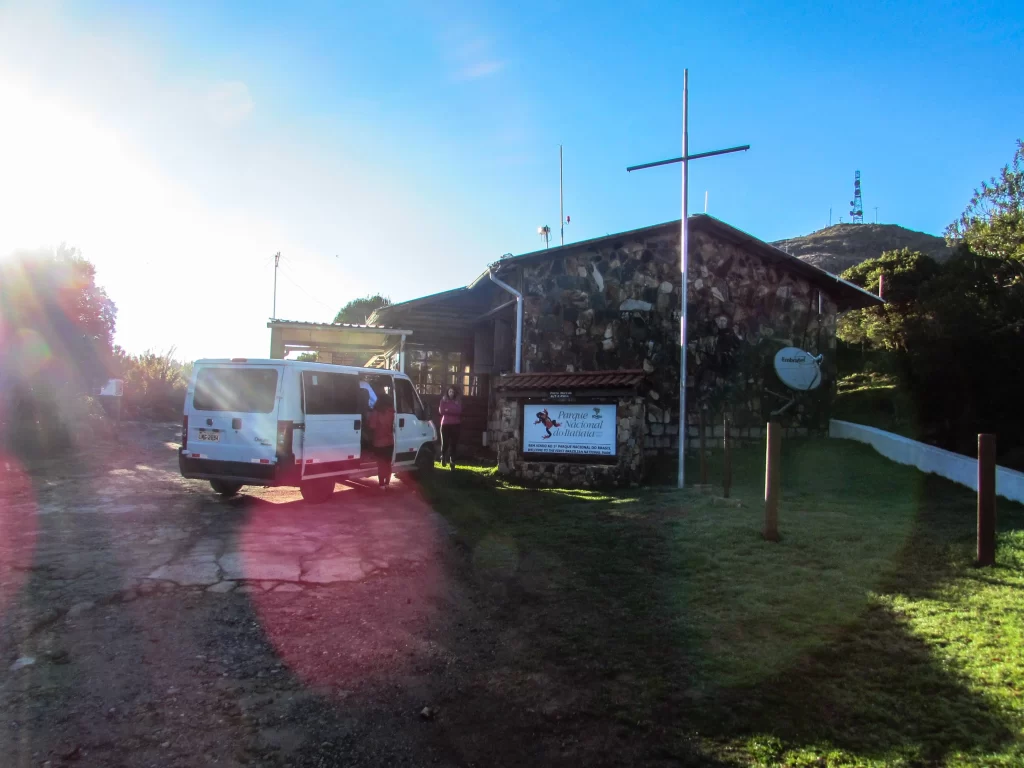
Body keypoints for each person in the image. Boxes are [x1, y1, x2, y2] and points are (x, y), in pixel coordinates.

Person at [367, 393, 396, 489]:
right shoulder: (392, 412)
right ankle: (387, 482)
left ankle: (381, 484)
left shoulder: (376, 412)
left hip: (378, 442)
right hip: (390, 441)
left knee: (381, 464)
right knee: (388, 463)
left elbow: (372, 426)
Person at [437, 385, 463, 470]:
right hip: (445, 424)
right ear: (447, 392)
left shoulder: (457, 401)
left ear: (455, 393)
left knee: (454, 444)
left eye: (452, 392)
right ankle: (443, 456)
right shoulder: (443, 400)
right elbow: (441, 411)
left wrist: (448, 410)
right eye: (450, 392)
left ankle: (452, 462)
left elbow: (458, 411)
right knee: (445, 443)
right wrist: (451, 410)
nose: (451, 393)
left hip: (455, 424)